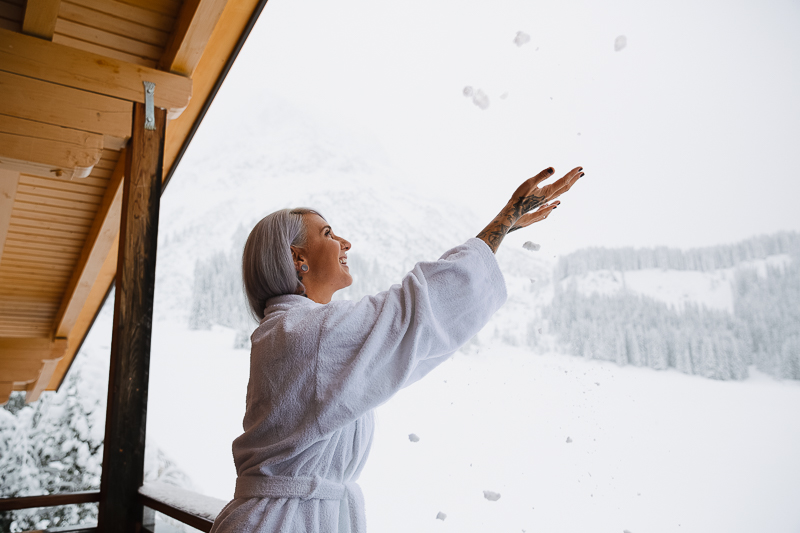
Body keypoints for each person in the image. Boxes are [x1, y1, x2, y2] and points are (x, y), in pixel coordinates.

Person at [210, 167, 584, 533]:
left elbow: (407, 347)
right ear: (297, 259)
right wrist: (505, 219)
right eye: (328, 233)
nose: (345, 242)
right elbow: (415, 311)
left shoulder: (290, 332)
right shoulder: (307, 334)